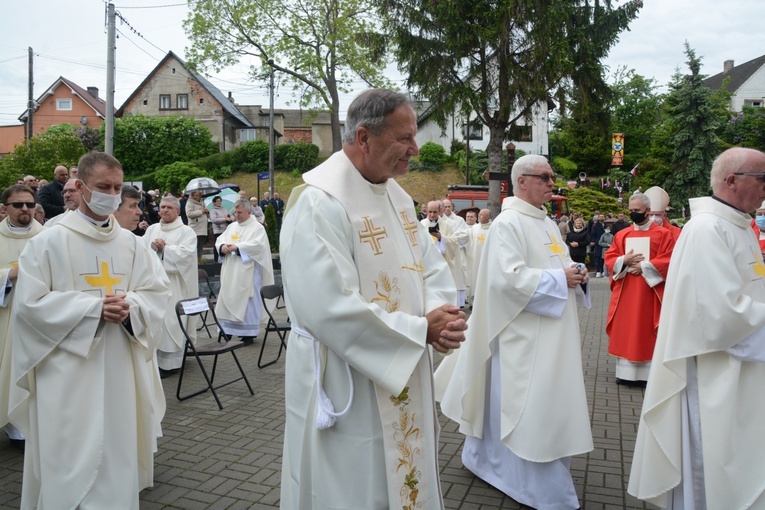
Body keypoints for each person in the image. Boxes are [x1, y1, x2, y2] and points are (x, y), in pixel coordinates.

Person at [279, 89, 467, 509]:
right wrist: (421, 329)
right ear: (364, 137)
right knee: (354, 485)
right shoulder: (318, 203)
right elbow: (326, 306)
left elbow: (429, 265)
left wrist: (441, 313)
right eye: (405, 138)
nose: (415, 150)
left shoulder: (397, 197)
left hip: (403, 359)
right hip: (347, 379)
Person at [9, 151, 170, 509]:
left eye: (116, 187)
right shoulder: (48, 242)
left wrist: (132, 308)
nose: (111, 194)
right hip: (67, 375)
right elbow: (29, 307)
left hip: (119, 373)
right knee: (68, 460)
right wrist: (92, 310)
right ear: (80, 187)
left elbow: (157, 293)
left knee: (117, 452)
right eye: (102, 187)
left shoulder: (132, 244)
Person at [435, 154, 592, 510]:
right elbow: (507, 280)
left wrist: (576, 273)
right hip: (523, 335)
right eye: (545, 177)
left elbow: (560, 262)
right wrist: (558, 278)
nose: (552, 183)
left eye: (552, 177)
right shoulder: (508, 224)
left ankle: (487, 461)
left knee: (546, 401)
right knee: (526, 403)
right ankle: (526, 479)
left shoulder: (548, 224)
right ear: (522, 181)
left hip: (555, 334)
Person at [628, 147, 765, 509]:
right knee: (714, 460)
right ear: (732, 181)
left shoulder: (740, 225)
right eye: (762, 178)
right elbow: (719, 314)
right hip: (715, 371)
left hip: (744, 368)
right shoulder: (707, 229)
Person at [603, 192, 675, 385]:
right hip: (627, 290)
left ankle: (647, 375)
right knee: (627, 327)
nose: (633, 214)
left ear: (648, 211)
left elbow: (669, 259)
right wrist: (623, 261)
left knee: (645, 328)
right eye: (631, 211)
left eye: (637, 210)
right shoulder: (622, 234)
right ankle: (625, 373)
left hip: (649, 292)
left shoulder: (664, 234)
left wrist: (644, 266)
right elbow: (610, 258)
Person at [0, 185, 44, 449]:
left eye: (29, 204)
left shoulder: (48, 236)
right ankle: (13, 426)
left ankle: (34, 427)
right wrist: (8, 275)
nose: (25, 209)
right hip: (4, 319)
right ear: (5, 208)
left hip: (38, 321)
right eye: (18, 205)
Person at [144, 196, 198, 378]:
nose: (165, 210)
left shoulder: (186, 232)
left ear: (178, 211)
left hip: (174, 285)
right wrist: (152, 247)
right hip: (153, 285)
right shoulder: (152, 229)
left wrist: (165, 249)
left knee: (171, 322)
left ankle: (172, 363)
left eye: (169, 207)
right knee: (156, 322)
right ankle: (155, 362)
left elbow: (187, 256)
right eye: (162, 207)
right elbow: (142, 251)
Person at [215, 200, 274, 344]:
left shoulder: (257, 228)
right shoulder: (232, 226)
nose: (236, 215)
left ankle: (248, 333)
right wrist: (222, 247)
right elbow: (219, 240)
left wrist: (237, 247)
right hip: (230, 270)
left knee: (248, 300)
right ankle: (227, 330)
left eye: (239, 212)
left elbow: (258, 246)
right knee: (227, 296)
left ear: (248, 212)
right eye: (235, 212)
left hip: (249, 271)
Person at [442, 198, 470, 307]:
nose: (447, 208)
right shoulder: (440, 221)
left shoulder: (459, 220)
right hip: (444, 251)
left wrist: (451, 238)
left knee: (457, 277)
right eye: (445, 207)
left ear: (452, 207)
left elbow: (464, 235)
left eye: (449, 206)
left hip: (457, 252)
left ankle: (458, 303)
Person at [467, 208, 492, 304]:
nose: (479, 216)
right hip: (475, 258)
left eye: (481, 215)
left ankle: (486, 301)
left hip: (487, 260)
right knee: (474, 278)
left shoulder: (493, 228)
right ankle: (473, 302)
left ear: (488, 217)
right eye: (479, 214)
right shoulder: (475, 228)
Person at [185, 190, 209, 259]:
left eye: (197, 195)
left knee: (200, 247)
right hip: (195, 228)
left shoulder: (202, 202)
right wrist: (201, 211)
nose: (195, 197)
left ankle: (199, 261)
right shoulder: (189, 203)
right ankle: (194, 262)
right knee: (194, 248)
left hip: (203, 228)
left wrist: (207, 212)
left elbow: (206, 215)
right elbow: (189, 214)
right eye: (194, 195)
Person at [209, 195, 232, 263]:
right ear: (214, 202)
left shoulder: (225, 209)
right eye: (217, 201)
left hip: (226, 230)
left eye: (220, 201)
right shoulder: (213, 210)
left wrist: (230, 218)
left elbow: (231, 216)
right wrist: (225, 219)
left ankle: (223, 260)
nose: (219, 202)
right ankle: (216, 260)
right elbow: (214, 220)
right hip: (218, 230)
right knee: (217, 245)